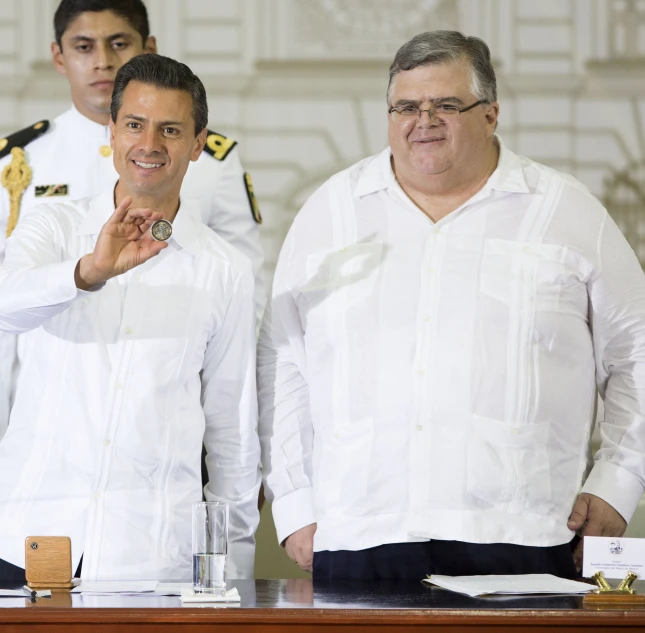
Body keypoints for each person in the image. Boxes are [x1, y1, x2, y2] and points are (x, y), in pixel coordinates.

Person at [258, 30, 645, 582]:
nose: (424, 121)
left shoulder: (567, 212)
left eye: (447, 105)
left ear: (491, 114)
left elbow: (637, 355)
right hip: (360, 534)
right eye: (407, 106)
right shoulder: (330, 214)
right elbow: (282, 363)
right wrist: (295, 502)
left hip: (523, 535)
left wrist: (617, 483)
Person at [0, 53, 260, 582]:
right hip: (29, 542)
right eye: (135, 125)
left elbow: (233, 431)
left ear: (197, 142)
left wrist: (233, 569)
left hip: (152, 557)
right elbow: (6, 307)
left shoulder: (225, 270)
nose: (149, 145)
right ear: (113, 131)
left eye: (170, 129)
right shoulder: (52, 226)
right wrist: (88, 271)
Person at [0, 0, 265, 438]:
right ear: (58, 55)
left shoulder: (214, 161)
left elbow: (242, 299)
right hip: (40, 406)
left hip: (163, 406)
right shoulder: (20, 161)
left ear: (149, 47)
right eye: (84, 46)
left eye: (118, 43)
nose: (103, 61)